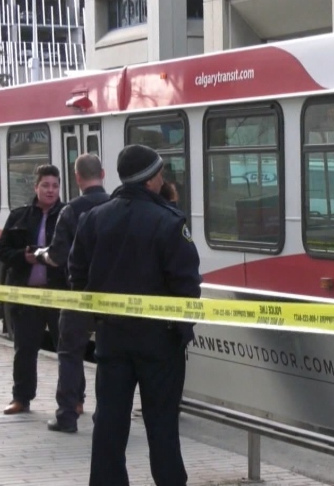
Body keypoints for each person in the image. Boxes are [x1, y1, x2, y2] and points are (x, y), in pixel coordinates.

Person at [69, 144, 201, 486]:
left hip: (112, 339)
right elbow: (187, 285)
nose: (162, 178)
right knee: (162, 424)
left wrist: (99, 317)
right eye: (159, 173)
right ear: (150, 179)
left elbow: (76, 273)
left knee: (110, 421)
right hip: (160, 342)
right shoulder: (169, 222)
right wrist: (182, 327)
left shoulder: (94, 218)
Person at [33, 154, 110, 433]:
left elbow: (57, 256)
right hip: (112, 297)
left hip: (77, 294)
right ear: (102, 173)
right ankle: (107, 414)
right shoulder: (116, 206)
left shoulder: (71, 211)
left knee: (70, 353)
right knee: (108, 356)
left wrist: (40, 255)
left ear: (77, 178)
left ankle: (67, 415)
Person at [0, 164, 64, 415]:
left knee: (66, 350)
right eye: (45, 185)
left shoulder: (68, 215)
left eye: (55, 186)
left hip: (59, 294)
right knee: (24, 349)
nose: (50, 190)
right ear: (36, 187)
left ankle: (73, 399)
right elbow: (1, 249)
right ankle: (21, 398)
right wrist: (23, 257)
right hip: (26, 294)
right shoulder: (20, 216)